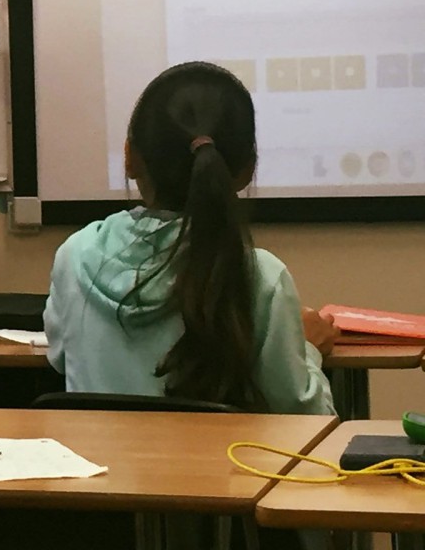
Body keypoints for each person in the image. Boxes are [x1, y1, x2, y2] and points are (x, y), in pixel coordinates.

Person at [44, 61, 336, 414]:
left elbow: (61, 358)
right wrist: (308, 350)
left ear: (129, 158)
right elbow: (303, 417)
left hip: (93, 453)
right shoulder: (258, 276)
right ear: (247, 169)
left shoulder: (75, 255)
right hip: (219, 455)